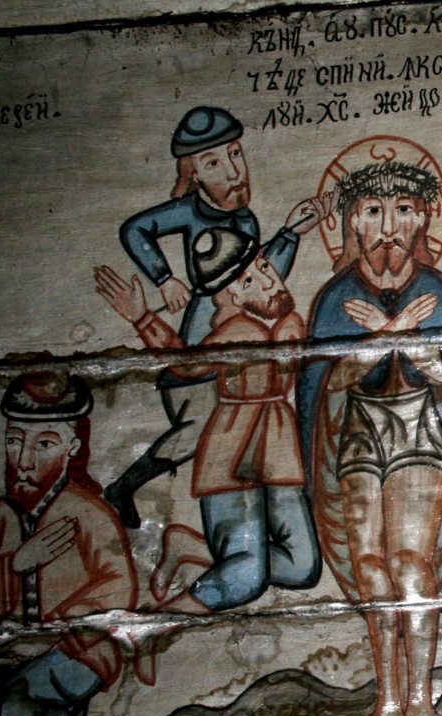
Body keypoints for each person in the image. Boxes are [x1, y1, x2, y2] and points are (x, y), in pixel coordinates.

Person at [298, 161, 442, 716]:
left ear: (423, 218)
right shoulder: (335, 299)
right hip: (356, 432)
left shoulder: (438, 291)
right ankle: (388, 705)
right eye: (373, 211)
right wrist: (394, 334)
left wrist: (388, 338)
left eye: (403, 210)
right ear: (352, 222)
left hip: (422, 432)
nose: (389, 226)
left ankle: (421, 710)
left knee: (408, 561)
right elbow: (322, 383)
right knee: (370, 565)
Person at [109, 106, 333, 528]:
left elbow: (261, 278)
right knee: (203, 428)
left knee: (239, 432)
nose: (233, 171)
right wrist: (164, 279)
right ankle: (125, 485)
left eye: (235, 154)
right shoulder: (190, 212)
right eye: (213, 163)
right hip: (200, 344)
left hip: (236, 350)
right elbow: (134, 230)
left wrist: (290, 234)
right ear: (192, 173)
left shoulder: (245, 219)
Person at [93, 238, 319, 618]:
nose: (269, 282)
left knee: (302, 568)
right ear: (230, 297)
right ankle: (152, 626)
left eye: (265, 268)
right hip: (233, 451)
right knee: (246, 577)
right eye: (248, 282)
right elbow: (186, 366)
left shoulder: (289, 322)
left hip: (279, 448)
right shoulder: (238, 330)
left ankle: (190, 548)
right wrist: (142, 318)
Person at [0, 373, 137, 716]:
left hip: (83, 647)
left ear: (72, 448)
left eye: (43, 445)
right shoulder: (0, 517)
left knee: (24, 704)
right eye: (13, 442)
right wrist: (17, 565)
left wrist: (58, 627)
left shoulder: (86, 513)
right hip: (14, 648)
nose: (24, 460)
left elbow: (117, 586)